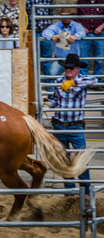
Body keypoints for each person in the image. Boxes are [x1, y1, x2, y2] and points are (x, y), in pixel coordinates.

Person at [44, 54, 97, 196]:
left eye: (71, 68)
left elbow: (95, 80)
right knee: (64, 160)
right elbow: (55, 100)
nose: (67, 70)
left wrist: (74, 83)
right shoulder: (58, 81)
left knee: (81, 160)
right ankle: (70, 192)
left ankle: (86, 193)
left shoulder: (83, 80)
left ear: (77, 69)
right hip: (59, 125)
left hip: (75, 126)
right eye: (66, 67)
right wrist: (49, 103)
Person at [42, 8, 86, 91]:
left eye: (68, 16)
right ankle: (52, 95)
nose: (66, 18)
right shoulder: (57, 25)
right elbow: (45, 32)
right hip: (60, 59)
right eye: (64, 16)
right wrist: (52, 36)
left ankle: (75, 93)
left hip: (73, 60)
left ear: (71, 17)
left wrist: (75, 36)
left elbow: (82, 32)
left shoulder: (76, 25)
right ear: (61, 17)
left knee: (77, 77)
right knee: (52, 73)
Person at [76, 0, 104, 90]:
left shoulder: (102, 2)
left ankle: (97, 82)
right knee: (84, 59)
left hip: (99, 33)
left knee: (99, 59)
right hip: (85, 34)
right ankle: (85, 82)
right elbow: (76, 18)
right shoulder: (81, 1)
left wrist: (101, 27)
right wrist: (82, 28)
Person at [26, 0, 54, 87]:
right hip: (31, 32)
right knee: (31, 58)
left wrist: (47, 29)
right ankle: (33, 84)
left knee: (46, 58)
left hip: (44, 32)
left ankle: (47, 83)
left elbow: (51, 14)